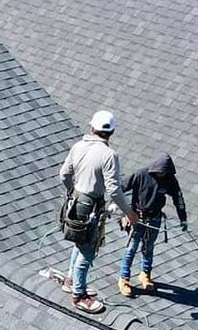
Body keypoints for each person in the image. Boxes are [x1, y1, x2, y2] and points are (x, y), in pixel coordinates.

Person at [46, 110, 137, 314]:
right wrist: (128, 212)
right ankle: (79, 295)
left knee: (79, 243)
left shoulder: (78, 146)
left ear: (91, 127)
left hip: (75, 201)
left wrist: (73, 191)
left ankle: (70, 280)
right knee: (87, 250)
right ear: (111, 133)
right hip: (91, 206)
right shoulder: (108, 155)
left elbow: (64, 175)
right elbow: (113, 189)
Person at [117, 155, 188, 298]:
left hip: (155, 219)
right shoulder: (141, 175)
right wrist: (117, 205)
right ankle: (124, 279)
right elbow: (120, 188)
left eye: (164, 173)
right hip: (137, 218)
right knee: (131, 248)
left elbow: (178, 198)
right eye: (160, 172)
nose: (161, 175)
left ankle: (145, 274)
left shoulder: (169, 180)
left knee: (148, 248)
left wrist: (183, 218)